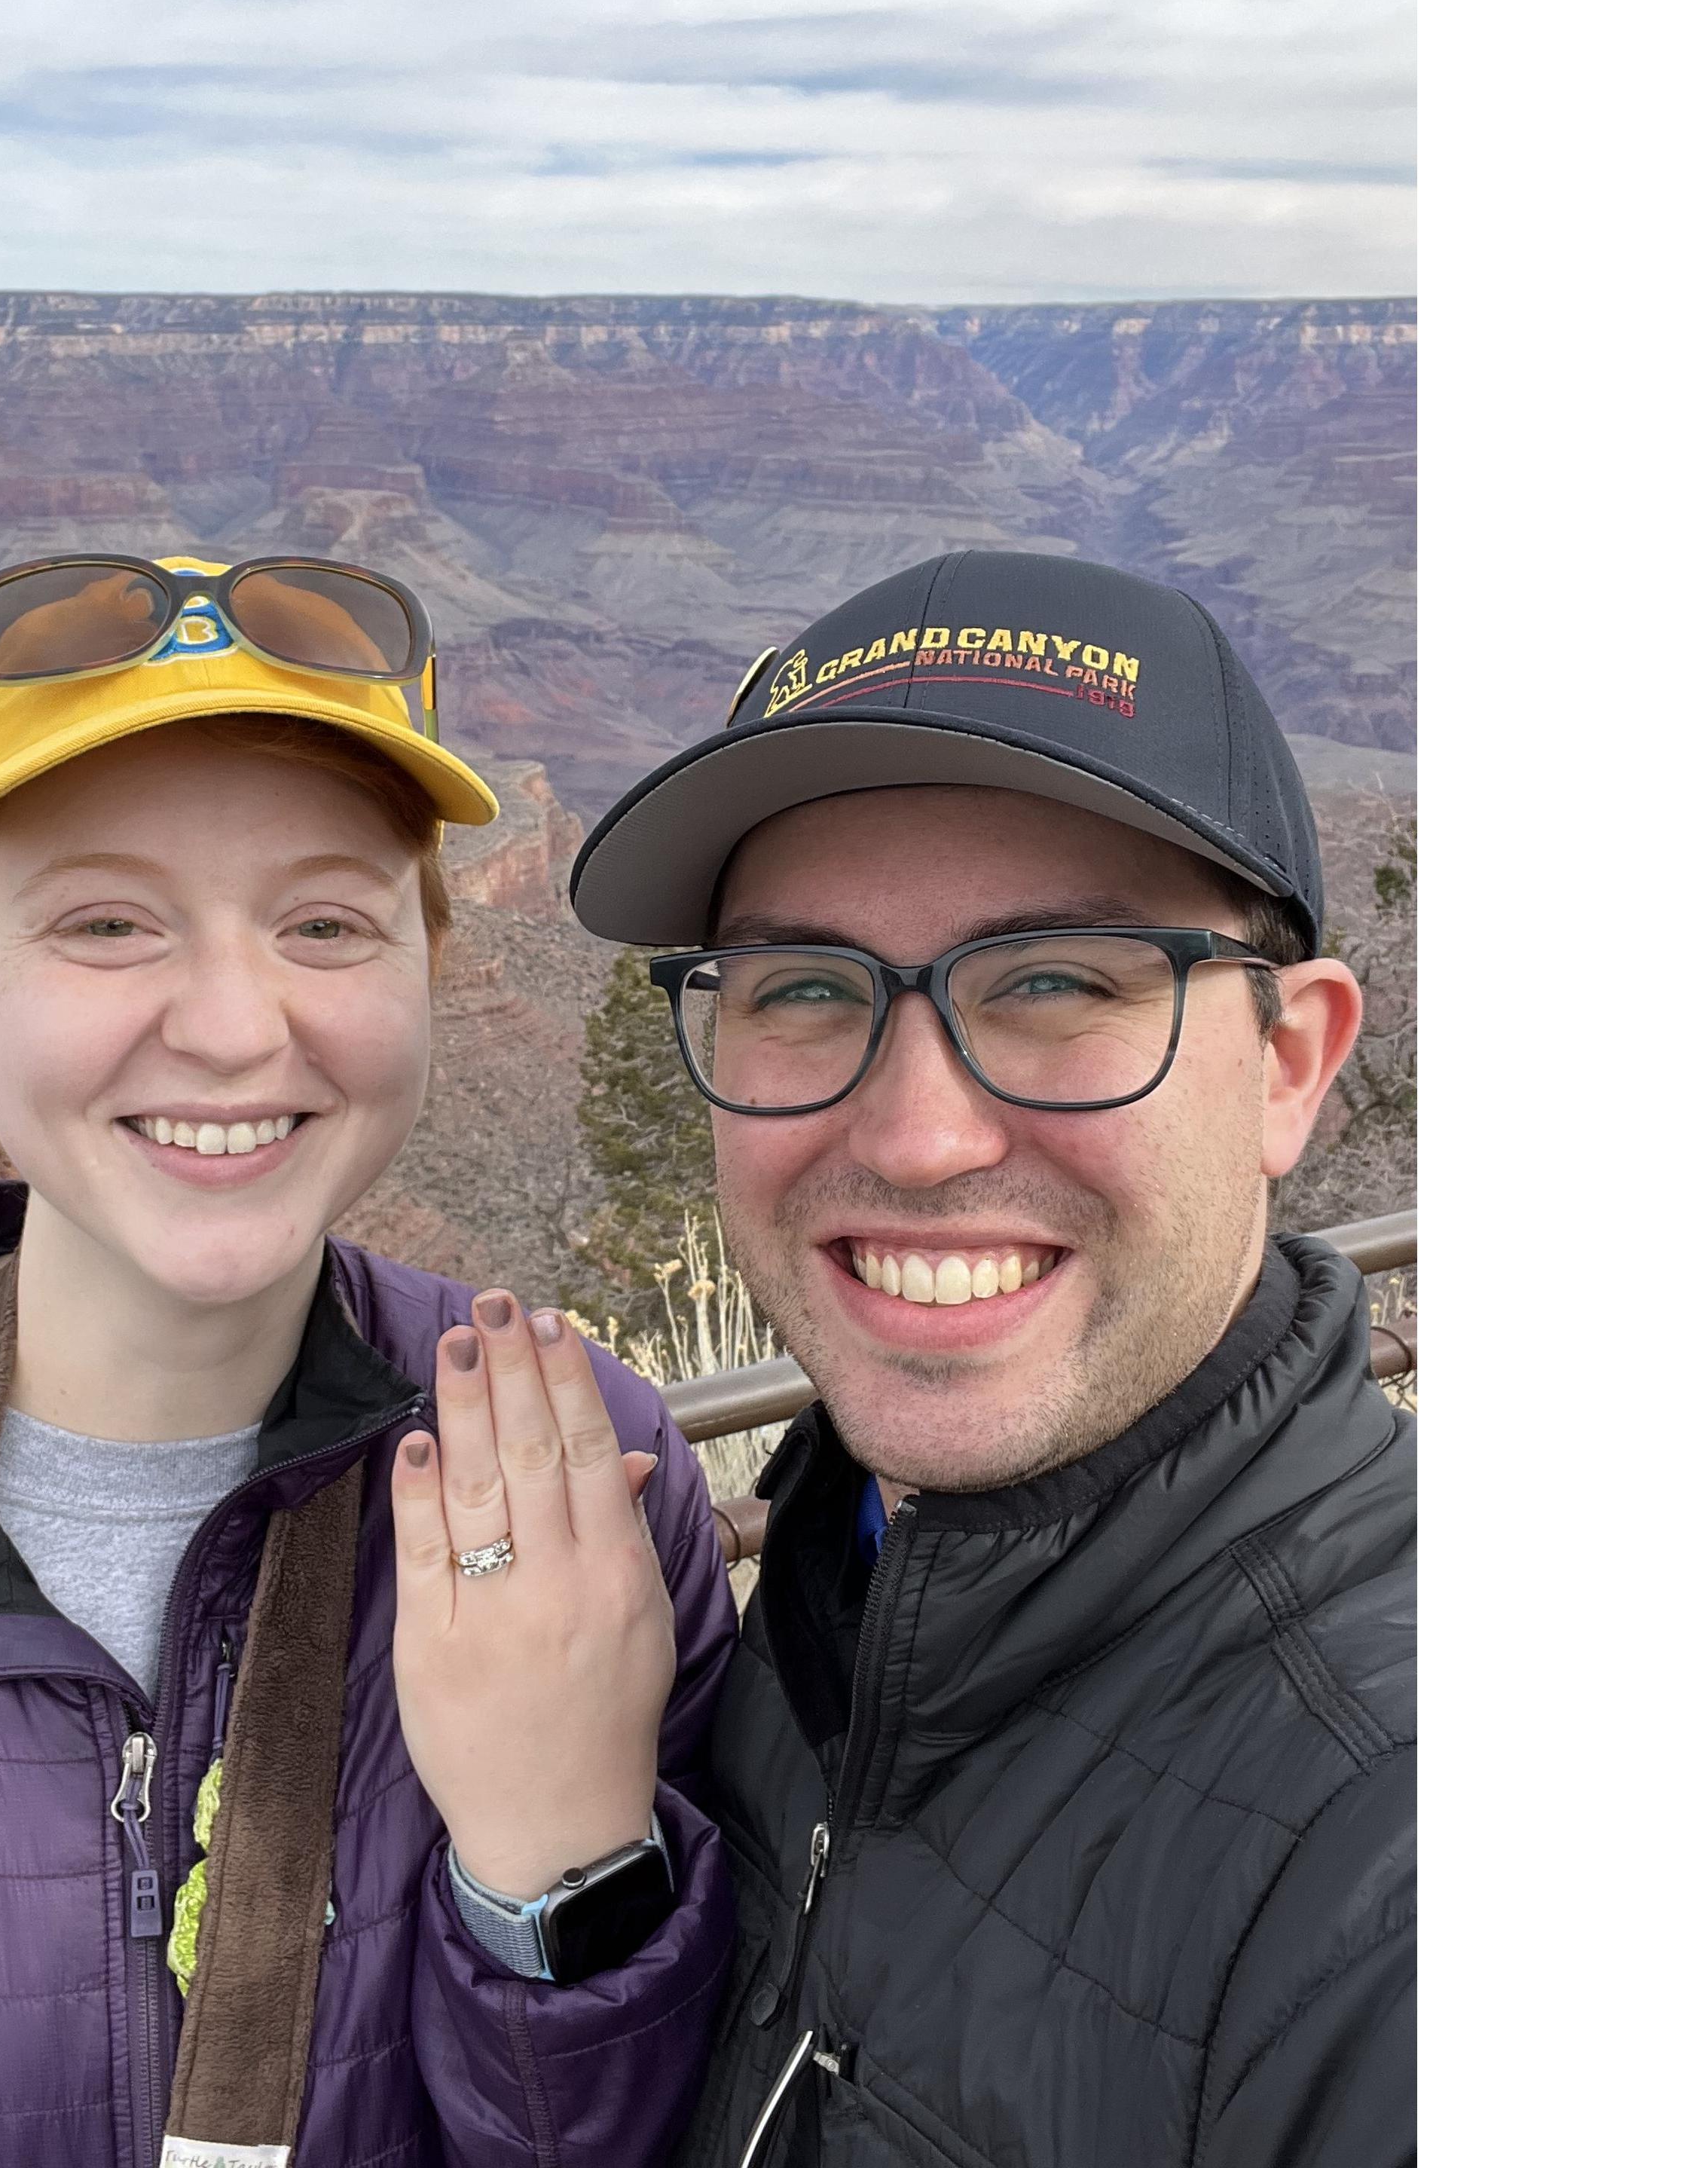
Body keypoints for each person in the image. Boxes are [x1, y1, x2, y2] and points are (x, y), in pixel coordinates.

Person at [0, 553, 737, 2167]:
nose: (236, 1027)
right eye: (106, 921)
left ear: (432, 967)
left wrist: (555, 1876)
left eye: (324, 920)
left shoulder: (581, 1480)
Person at [569, 550, 1414, 2168]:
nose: (917, 1134)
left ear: (1286, 1064)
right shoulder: (835, 1592)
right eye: (804, 986)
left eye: (1049, 983)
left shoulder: (1398, 1872)